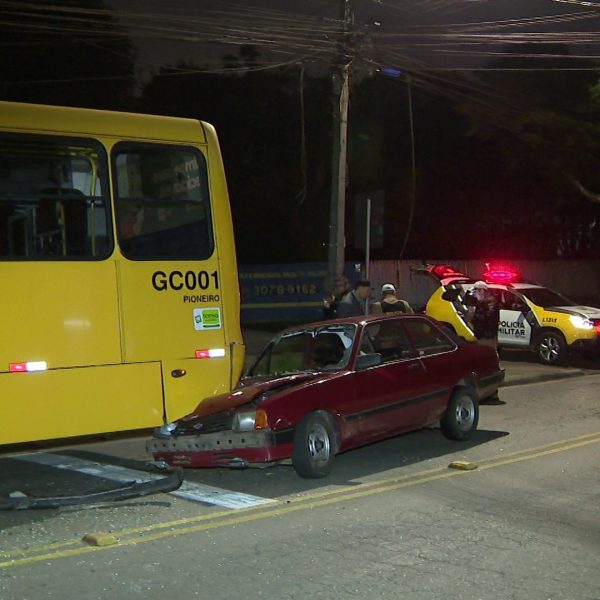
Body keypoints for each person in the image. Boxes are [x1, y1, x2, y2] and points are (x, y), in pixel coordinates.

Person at [466, 280, 500, 348]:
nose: (475, 293)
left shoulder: (489, 301)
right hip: (482, 331)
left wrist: (475, 318)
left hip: (487, 333)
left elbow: (489, 316)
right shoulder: (480, 300)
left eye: (477, 290)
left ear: (482, 290)